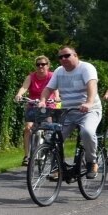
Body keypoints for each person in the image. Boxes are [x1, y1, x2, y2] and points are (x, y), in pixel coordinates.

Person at [39, 46, 101, 178]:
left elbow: (92, 85)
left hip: (88, 111)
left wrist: (89, 103)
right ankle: (58, 167)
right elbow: (48, 88)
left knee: (87, 132)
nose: (63, 59)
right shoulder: (59, 71)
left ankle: (92, 162)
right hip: (67, 112)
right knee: (53, 138)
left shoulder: (86, 68)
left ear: (75, 55)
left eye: (67, 55)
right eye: (60, 57)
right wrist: (43, 101)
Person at [14, 55, 59, 165]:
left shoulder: (52, 76)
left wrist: (57, 97)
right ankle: (27, 156)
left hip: (48, 105)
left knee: (49, 128)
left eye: (43, 64)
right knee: (28, 128)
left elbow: (56, 89)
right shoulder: (31, 77)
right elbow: (24, 87)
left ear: (48, 66)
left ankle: (48, 148)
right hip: (33, 105)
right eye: (38, 65)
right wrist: (19, 94)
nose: (40, 67)